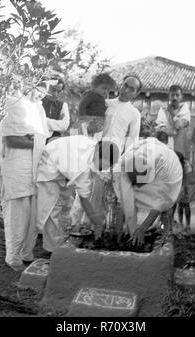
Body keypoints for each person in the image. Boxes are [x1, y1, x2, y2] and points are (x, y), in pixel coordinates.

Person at [72, 74, 142, 233]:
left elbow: (132, 141)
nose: (127, 90)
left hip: (114, 158)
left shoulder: (134, 113)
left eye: (132, 89)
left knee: (111, 198)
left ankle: (106, 232)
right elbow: (85, 122)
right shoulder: (105, 103)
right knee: (84, 191)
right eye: (125, 85)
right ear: (120, 85)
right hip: (93, 152)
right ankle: (77, 229)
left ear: (136, 93)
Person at [0, 83, 49, 271]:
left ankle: (26, 253)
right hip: (17, 170)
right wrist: (34, 141)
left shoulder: (38, 108)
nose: (41, 92)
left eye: (45, 89)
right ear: (30, 84)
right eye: (39, 86)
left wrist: (34, 139)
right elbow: (10, 138)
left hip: (34, 171)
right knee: (17, 215)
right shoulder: (15, 102)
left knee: (32, 215)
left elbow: (42, 138)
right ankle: (13, 257)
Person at [35, 135, 120, 253]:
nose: (104, 168)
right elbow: (84, 198)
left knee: (66, 207)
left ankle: (61, 241)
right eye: (104, 164)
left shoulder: (93, 147)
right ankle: (52, 250)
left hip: (60, 166)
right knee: (52, 209)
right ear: (97, 155)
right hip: (49, 165)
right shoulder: (83, 164)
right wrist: (97, 223)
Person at [114, 137, 183, 246]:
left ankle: (166, 234)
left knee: (166, 210)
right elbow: (125, 200)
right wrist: (119, 232)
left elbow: (159, 203)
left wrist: (142, 229)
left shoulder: (164, 171)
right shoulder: (126, 163)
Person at [155, 85, 191, 158]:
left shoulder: (185, 110)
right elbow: (159, 128)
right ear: (169, 96)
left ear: (182, 97)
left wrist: (171, 112)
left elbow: (178, 125)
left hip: (181, 147)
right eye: (172, 95)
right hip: (166, 146)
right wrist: (168, 130)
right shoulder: (163, 110)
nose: (174, 97)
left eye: (177, 95)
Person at [78, 73, 116, 139]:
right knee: (87, 137)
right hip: (90, 120)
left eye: (108, 90)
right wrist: (83, 119)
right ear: (94, 87)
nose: (106, 92)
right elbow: (82, 105)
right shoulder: (91, 95)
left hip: (98, 122)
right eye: (104, 88)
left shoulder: (101, 97)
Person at [42, 78, 70, 143]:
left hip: (54, 142)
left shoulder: (63, 105)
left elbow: (64, 126)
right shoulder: (38, 101)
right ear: (47, 87)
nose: (55, 94)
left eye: (59, 91)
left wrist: (42, 121)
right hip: (35, 141)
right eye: (53, 90)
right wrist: (57, 124)